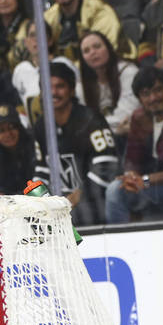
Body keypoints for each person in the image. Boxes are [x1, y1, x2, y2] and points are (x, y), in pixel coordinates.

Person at [30, 62, 119, 226]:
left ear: (71, 90)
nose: (53, 93)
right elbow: (41, 169)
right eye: (47, 88)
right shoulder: (41, 126)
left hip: (95, 202)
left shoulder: (91, 121)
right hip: (62, 204)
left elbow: (107, 167)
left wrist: (79, 195)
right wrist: (38, 200)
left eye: (60, 86)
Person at [106, 67, 163, 224]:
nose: (153, 98)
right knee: (115, 189)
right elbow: (132, 158)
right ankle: (120, 241)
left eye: (158, 90)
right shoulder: (138, 117)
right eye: (146, 94)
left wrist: (147, 179)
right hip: (152, 187)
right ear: (139, 98)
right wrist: (131, 176)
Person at [44, 0, 136, 63]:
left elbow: (103, 57)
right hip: (69, 74)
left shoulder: (101, 13)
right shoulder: (48, 18)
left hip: (116, 67)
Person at [78, 31, 139, 137]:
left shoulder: (129, 72)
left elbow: (127, 114)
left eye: (97, 46)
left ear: (108, 48)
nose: (93, 52)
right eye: (86, 51)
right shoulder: (81, 86)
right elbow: (82, 123)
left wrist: (93, 128)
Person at [0, 103, 46, 196]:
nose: (8, 134)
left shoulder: (34, 146)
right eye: (2, 131)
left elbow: (40, 185)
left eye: (12, 127)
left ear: (20, 128)